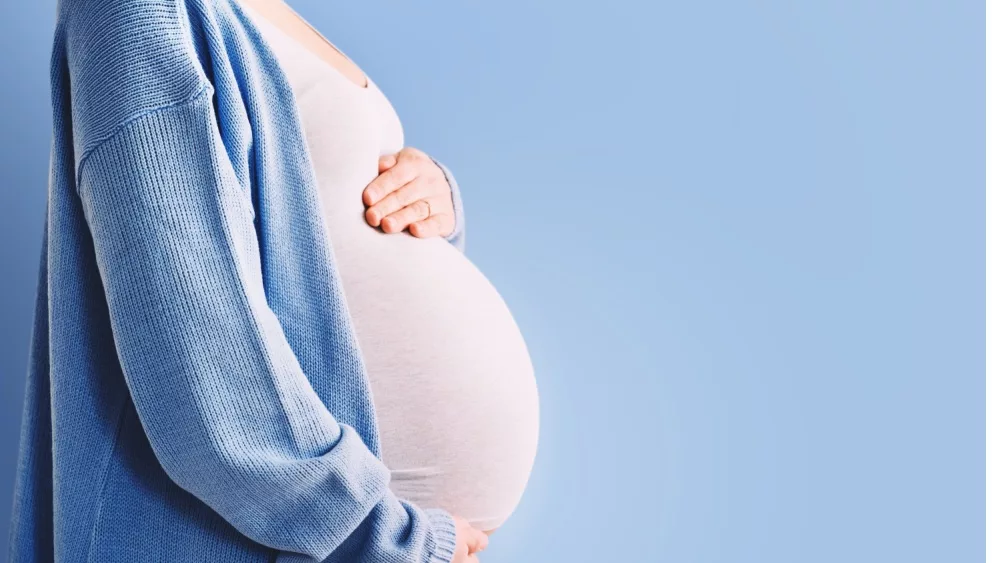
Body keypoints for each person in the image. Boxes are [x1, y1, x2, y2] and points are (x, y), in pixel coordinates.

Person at [8, 0, 539, 561]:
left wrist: (430, 208)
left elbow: (317, 248)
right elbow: (198, 352)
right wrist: (383, 538)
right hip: (292, 539)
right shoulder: (133, 11)